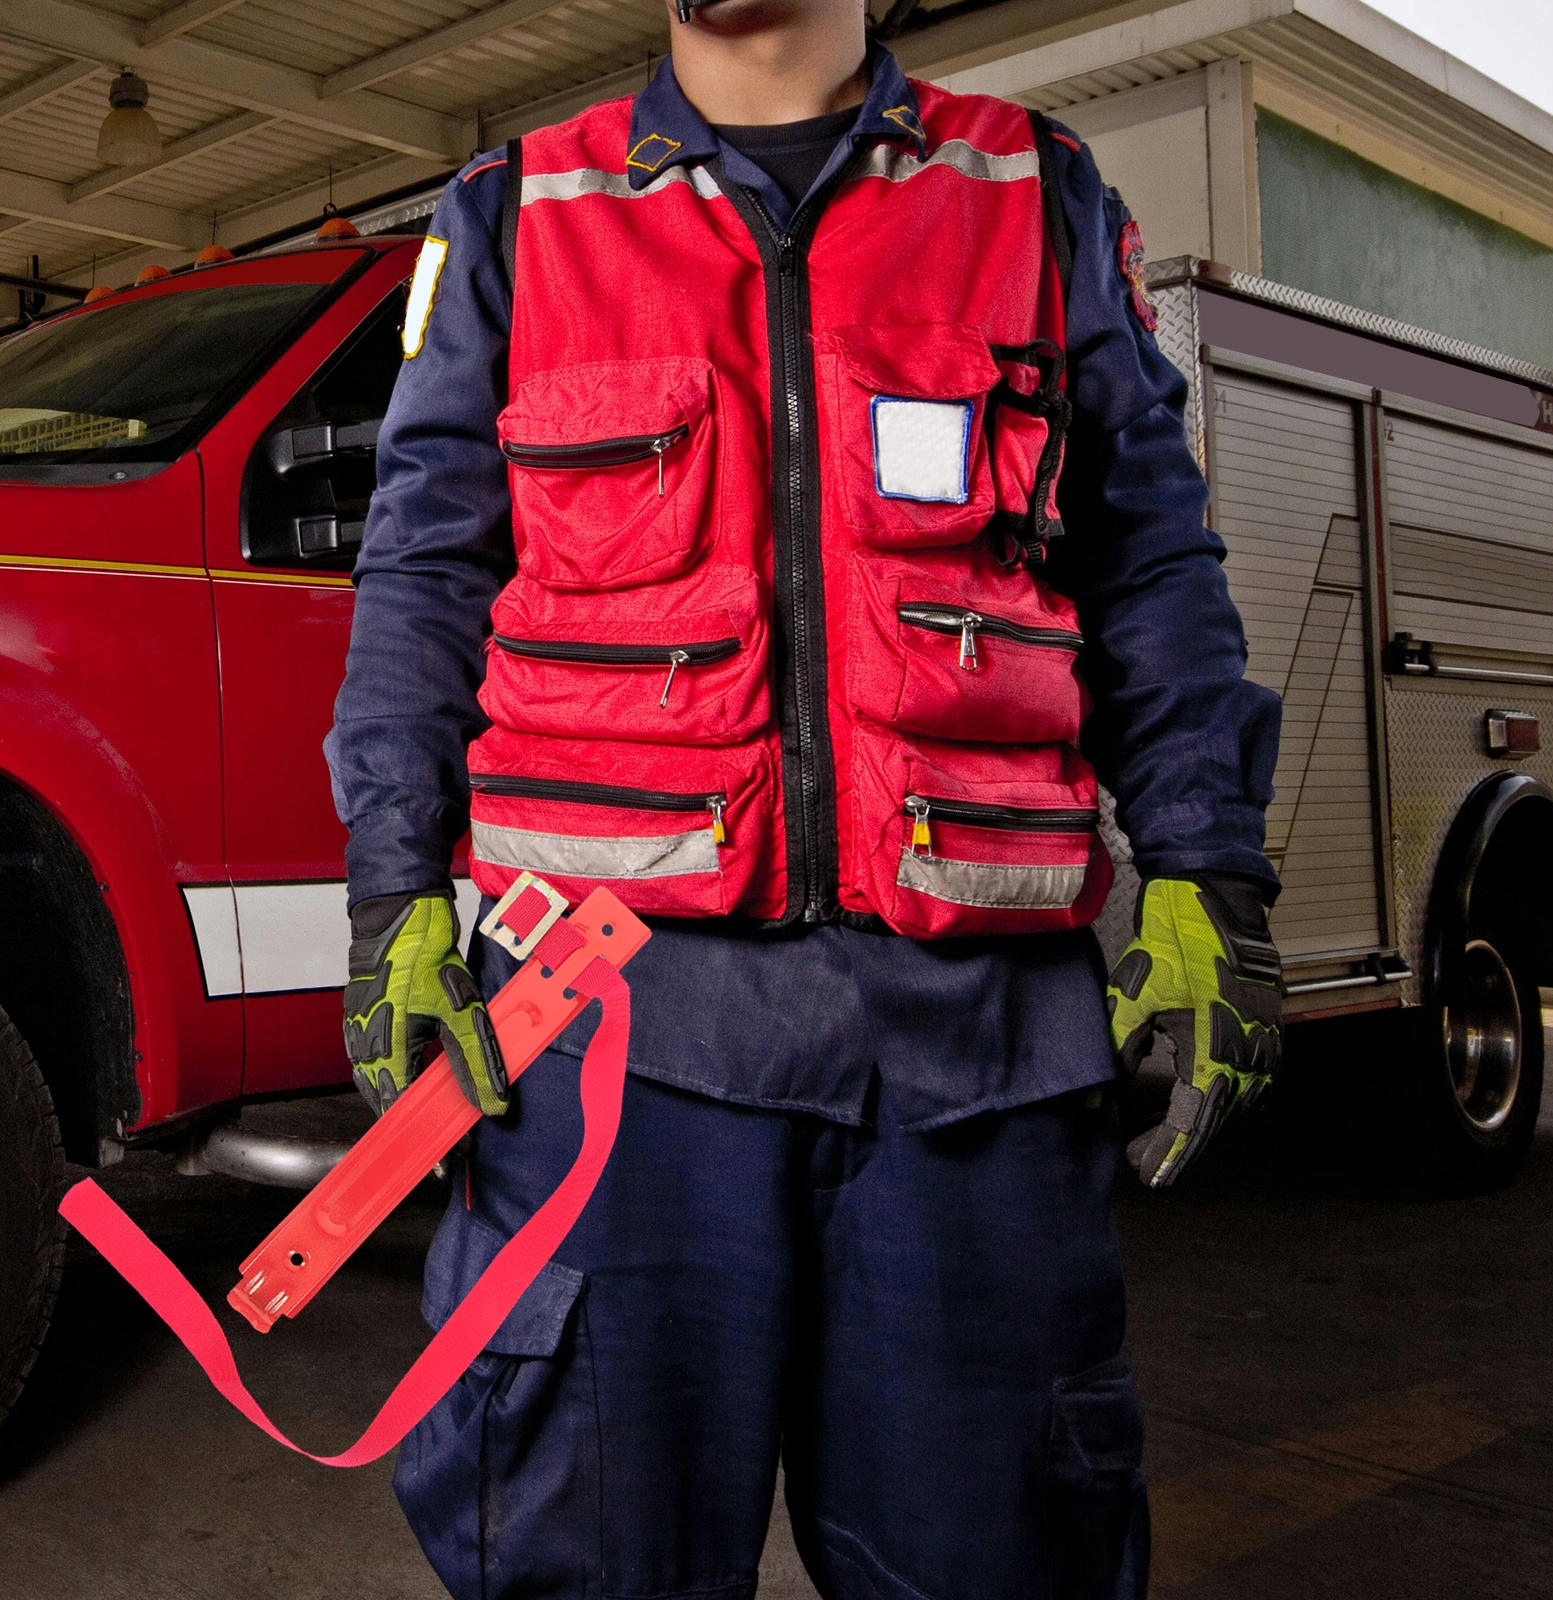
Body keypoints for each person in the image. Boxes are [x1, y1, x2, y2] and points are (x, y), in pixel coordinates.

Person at [326, 0, 1284, 1594]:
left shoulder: (1029, 192)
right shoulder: (517, 212)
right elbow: (424, 574)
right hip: (607, 1049)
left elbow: (1150, 561)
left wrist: (1207, 870)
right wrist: (392, 892)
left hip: (971, 1056)